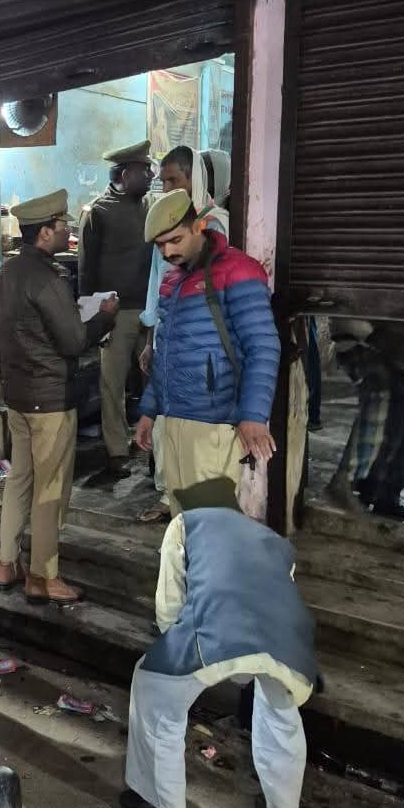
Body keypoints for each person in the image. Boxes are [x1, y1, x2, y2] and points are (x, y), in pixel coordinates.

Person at [121, 478, 316, 808]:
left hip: (217, 631)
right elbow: (275, 594)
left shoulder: (185, 524)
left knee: (154, 687)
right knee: (281, 715)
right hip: (288, 643)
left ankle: (164, 806)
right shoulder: (273, 539)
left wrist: (174, 650)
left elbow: (168, 607)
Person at [0, 189, 120, 605]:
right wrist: (104, 318)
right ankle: (43, 576)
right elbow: (74, 341)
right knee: (50, 489)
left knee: (19, 480)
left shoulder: (3, 275)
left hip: (18, 397)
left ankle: (5, 563)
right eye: (62, 226)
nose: (68, 232)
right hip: (49, 400)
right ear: (44, 233)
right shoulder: (48, 280)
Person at [134, 189, 280, 514]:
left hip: (214, 425)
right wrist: (149, 411)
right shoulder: (172, 281)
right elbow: (165, 353)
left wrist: (253, 415)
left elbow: (262, 345)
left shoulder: (238, 271)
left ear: (199, 226)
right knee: (183, 522)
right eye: (160, 245)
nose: (168, 252)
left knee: (212, 525)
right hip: (173, 419)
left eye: (175, 240)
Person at [137, 148, 230, 523]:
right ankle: (170, 498)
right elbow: (155, 285)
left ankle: (201, 512)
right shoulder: (164, 223)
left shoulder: (215, 227)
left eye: (174, 180)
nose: (167, 188)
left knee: (202, 440)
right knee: (166, 427)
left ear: (196, 178)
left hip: (203, 348)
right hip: (168, 339)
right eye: (163, 182)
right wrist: (150, 339)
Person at [78, 141, 154, 481]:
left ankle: (156, 450)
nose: (150, 175)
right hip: (117, 314)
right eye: (144, 170)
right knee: (113, 385)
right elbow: (86, 272)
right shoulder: (98, 212)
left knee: (156, 379)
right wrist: (96, 319)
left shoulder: (151, 207)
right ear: (124, 174)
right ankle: (117, 451)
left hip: (150, 311)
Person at [325, 320, 404, 521]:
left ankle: (383, 493)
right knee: (384, 390)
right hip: (354, 333)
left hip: (378, 337)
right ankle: (345, 480)